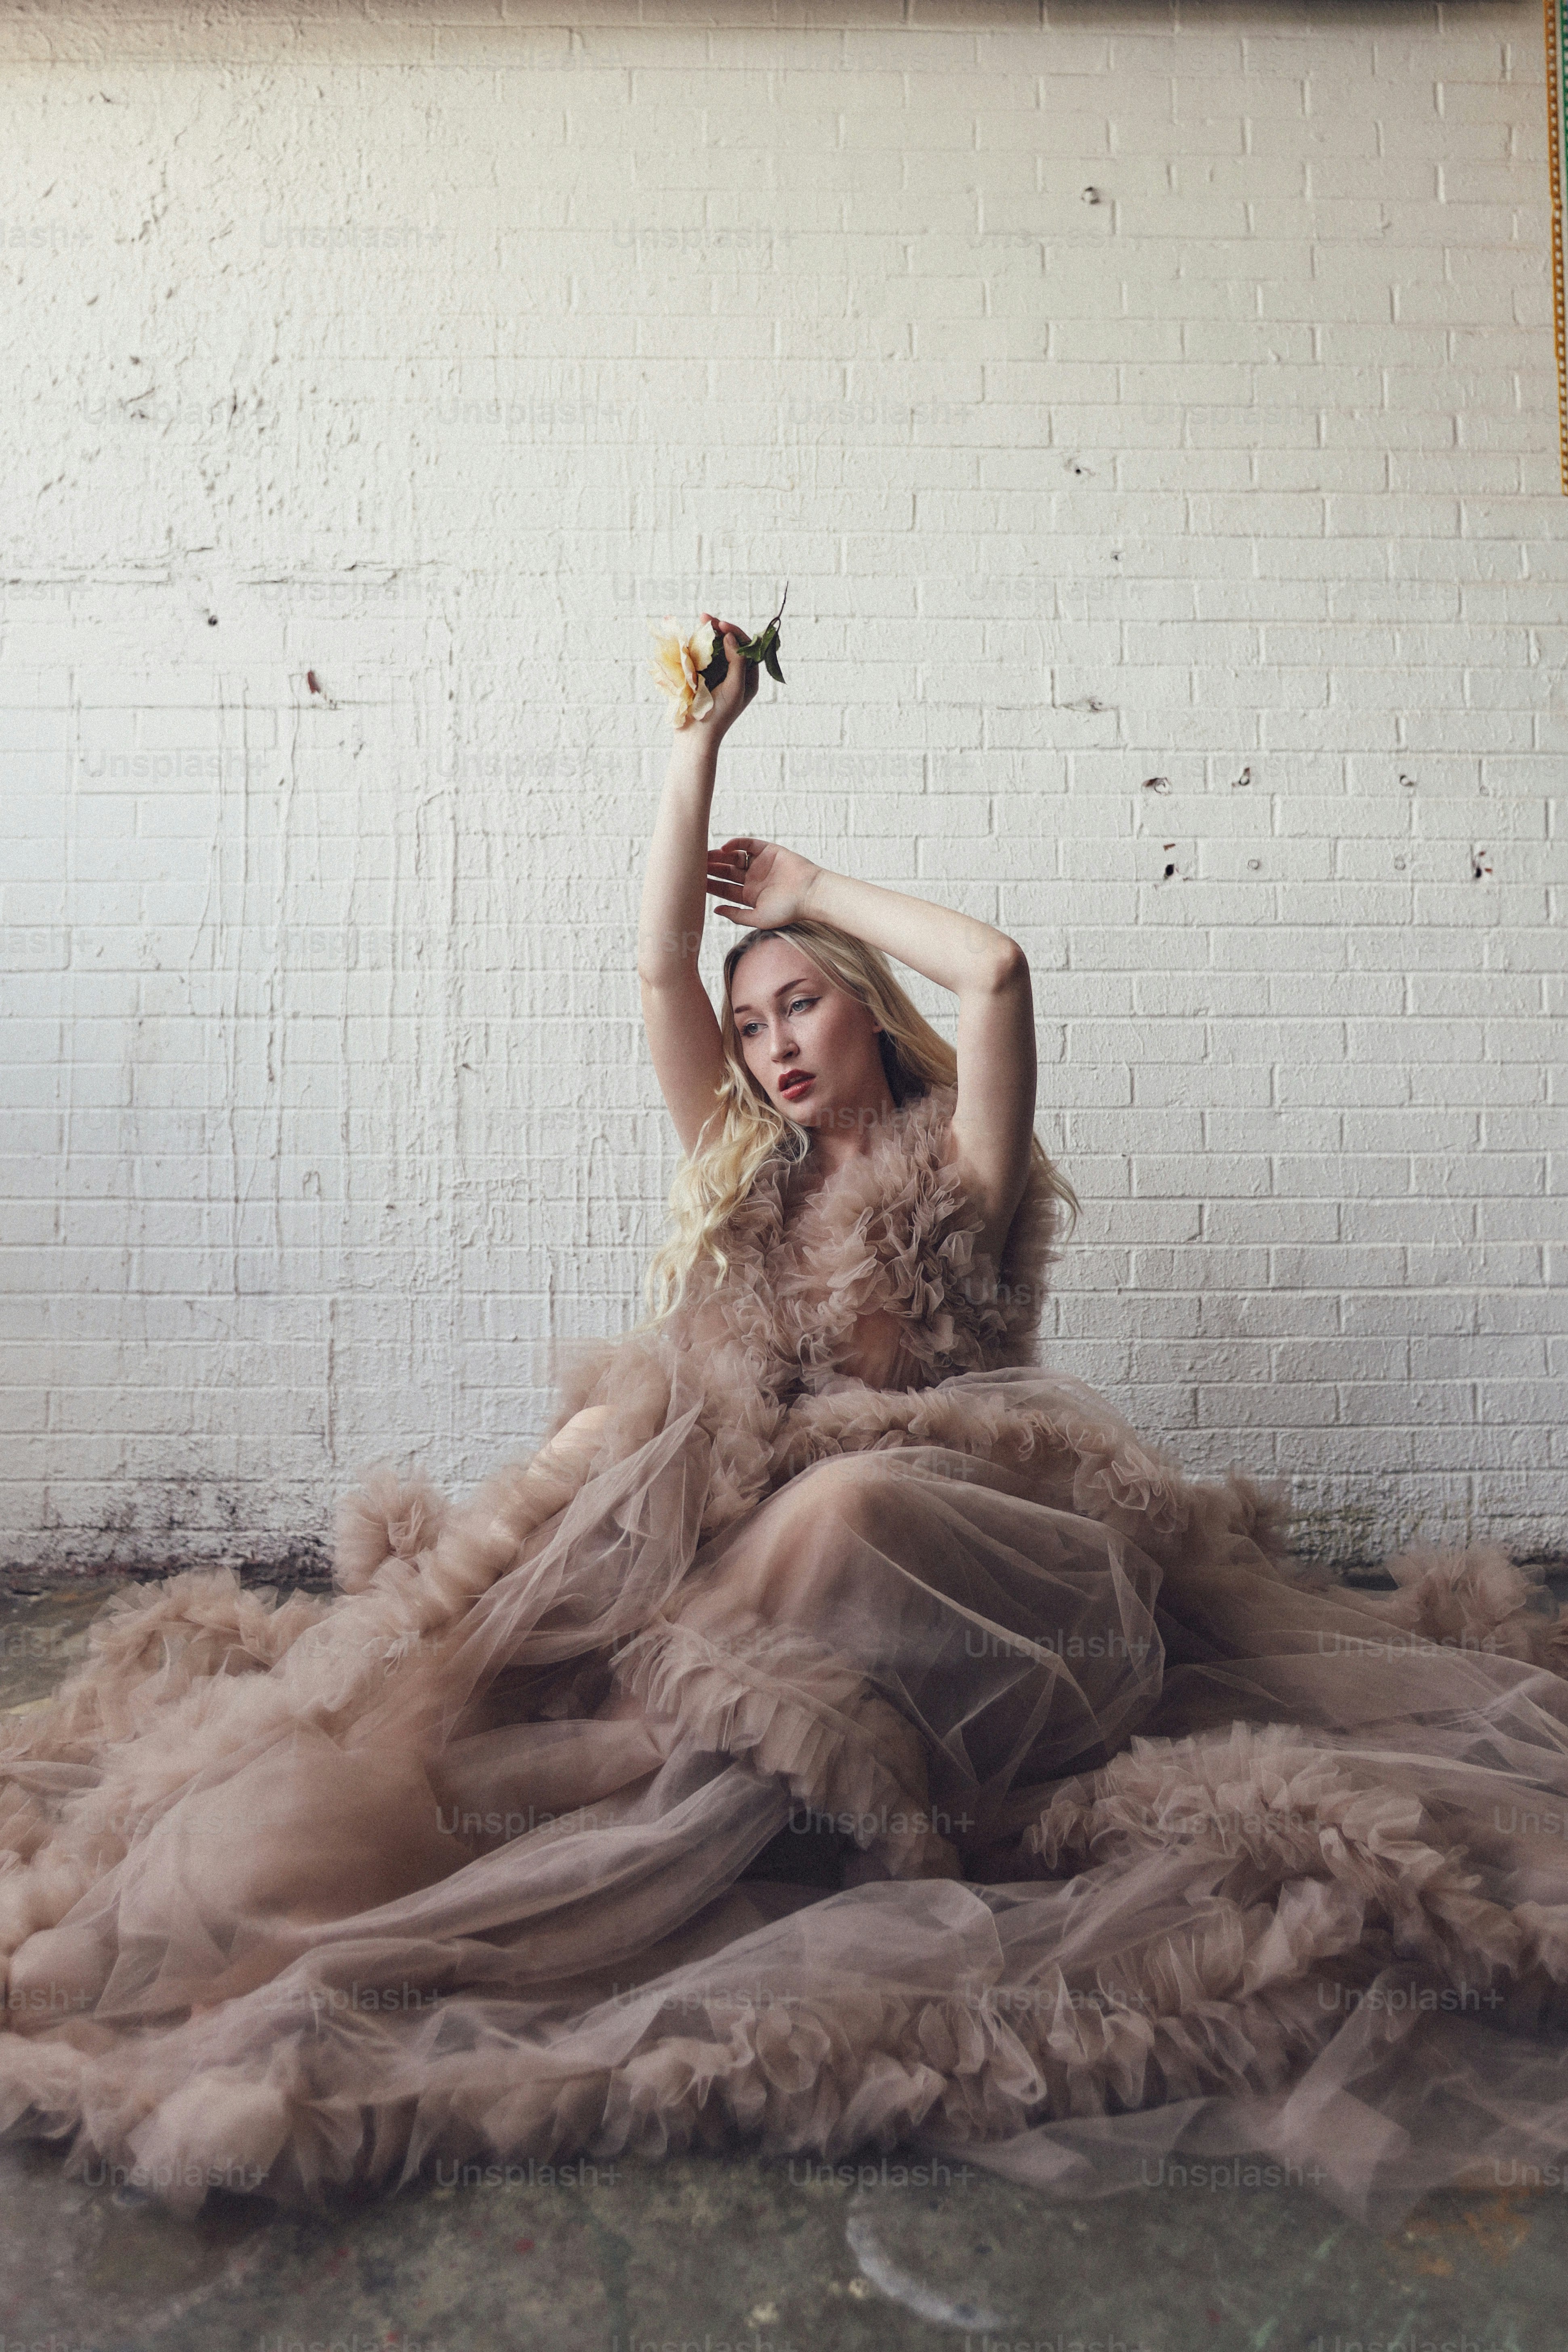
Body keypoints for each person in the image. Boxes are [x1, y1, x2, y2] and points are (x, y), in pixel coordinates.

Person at [2, 617, 1567, 2228]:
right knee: (495, 1656)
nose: (772, 1047)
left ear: (863, 1014)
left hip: (967, 1553)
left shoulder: (958, 1167)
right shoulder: (749, 1177)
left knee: (847, 1506)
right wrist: (697, 747)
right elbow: (653, 969)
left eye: (800, 1009)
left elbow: (998, 969)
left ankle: (587, 1818)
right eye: (754, 1030)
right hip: (749, 1543)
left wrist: (804, 888)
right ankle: (319, 1909)